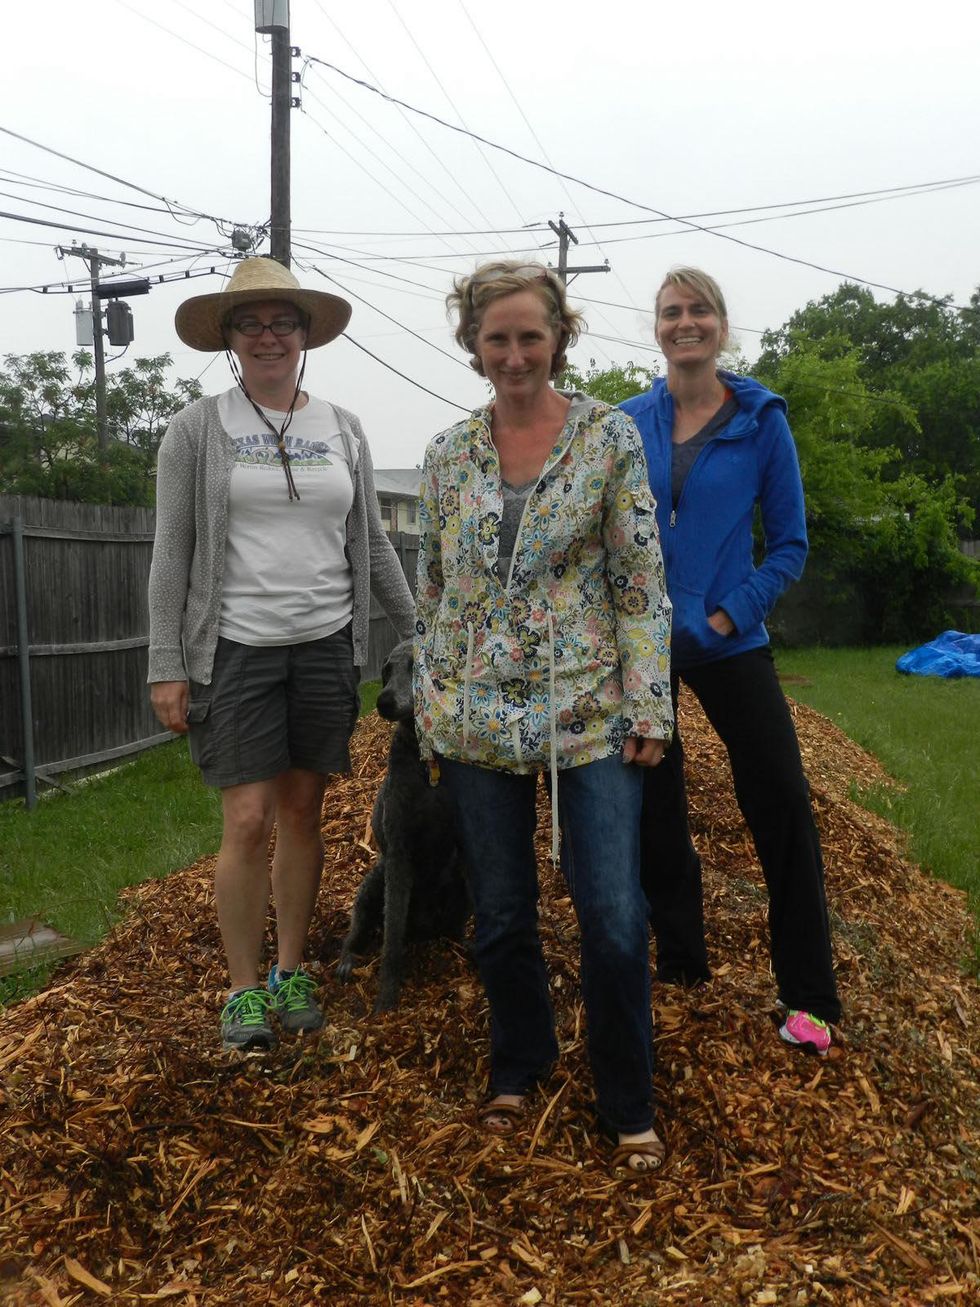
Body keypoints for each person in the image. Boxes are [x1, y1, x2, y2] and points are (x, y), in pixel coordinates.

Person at [414, 261, 674, 1172]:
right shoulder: (450, 454)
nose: (515, 354)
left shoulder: (607, 438)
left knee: (610, 910)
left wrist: (651, 703)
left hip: (587, 712)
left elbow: (639, 584)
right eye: (498, 338)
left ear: (559, 336)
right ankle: (519, 1057)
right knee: (502, 912)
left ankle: (625, 1094)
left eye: (531, 336)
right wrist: (430, 701)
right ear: (473, 345)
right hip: (478, 718)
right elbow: (436, 587)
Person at [148, 257, 415, 1053]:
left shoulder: (343, 428)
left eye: (282, 322)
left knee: (303, 812)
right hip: (235, 651)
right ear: (229, 339)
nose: (268, 336)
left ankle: (291, 970)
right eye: (250, 323)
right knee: (248, 817)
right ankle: (241, 988)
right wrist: (167, 659)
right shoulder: (197, 429)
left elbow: (370, 541)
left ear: (305, 335)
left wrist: (416, 629)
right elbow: (172, 553)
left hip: (327, 646)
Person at [620, 266, 841, 1054]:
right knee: (657, 807)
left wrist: (726, 612)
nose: (687, 322)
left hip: (728, 640)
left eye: (700, 310)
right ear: (657, 328)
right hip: (643, 646)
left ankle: (809, 995)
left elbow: (789, 544)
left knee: (779, 796)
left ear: (719, 323)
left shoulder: (760, 420)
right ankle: (682, 964)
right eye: (673, 311)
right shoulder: (625, 422)